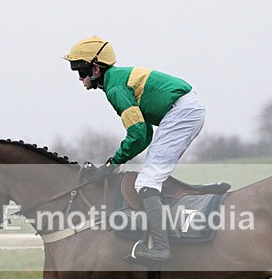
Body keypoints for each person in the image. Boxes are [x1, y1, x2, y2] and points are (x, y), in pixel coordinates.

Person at [63, 35, 205, 264]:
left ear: (96, 70)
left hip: (181, 113)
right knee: (151, 174)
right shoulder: (117, 81)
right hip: (182, 111)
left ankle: (161, 247)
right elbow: (145, 134)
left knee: (147, 182)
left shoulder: (116, 88)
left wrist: (112, 163)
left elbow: (138, 134)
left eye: (81, 70)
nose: (79, 78)